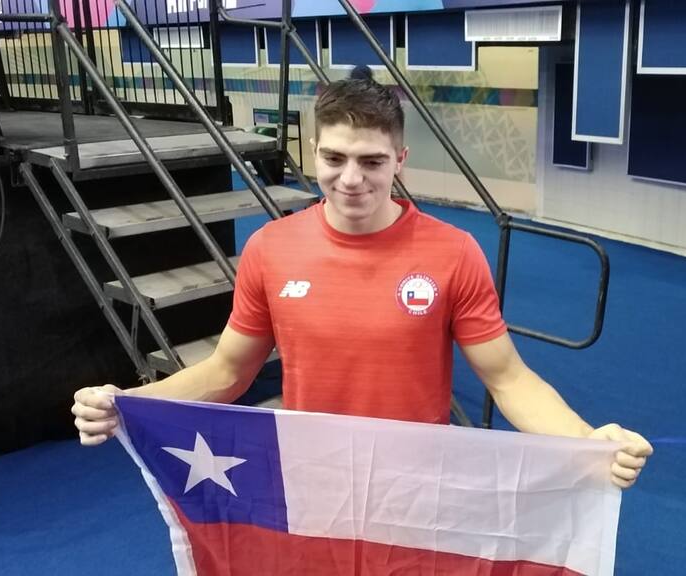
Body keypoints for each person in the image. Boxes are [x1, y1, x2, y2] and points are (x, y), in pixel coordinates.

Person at [72, 74, 652, 489]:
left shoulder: (454, 253)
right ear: (315, 153)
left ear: (399, 158)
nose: (350, 179)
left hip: (418, 478)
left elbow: (508, 380)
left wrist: (586, 439)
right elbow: (228, 370)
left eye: (371, 162)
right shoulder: (271, 249)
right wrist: (127, 404)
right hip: (312, 475)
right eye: (334, 159)